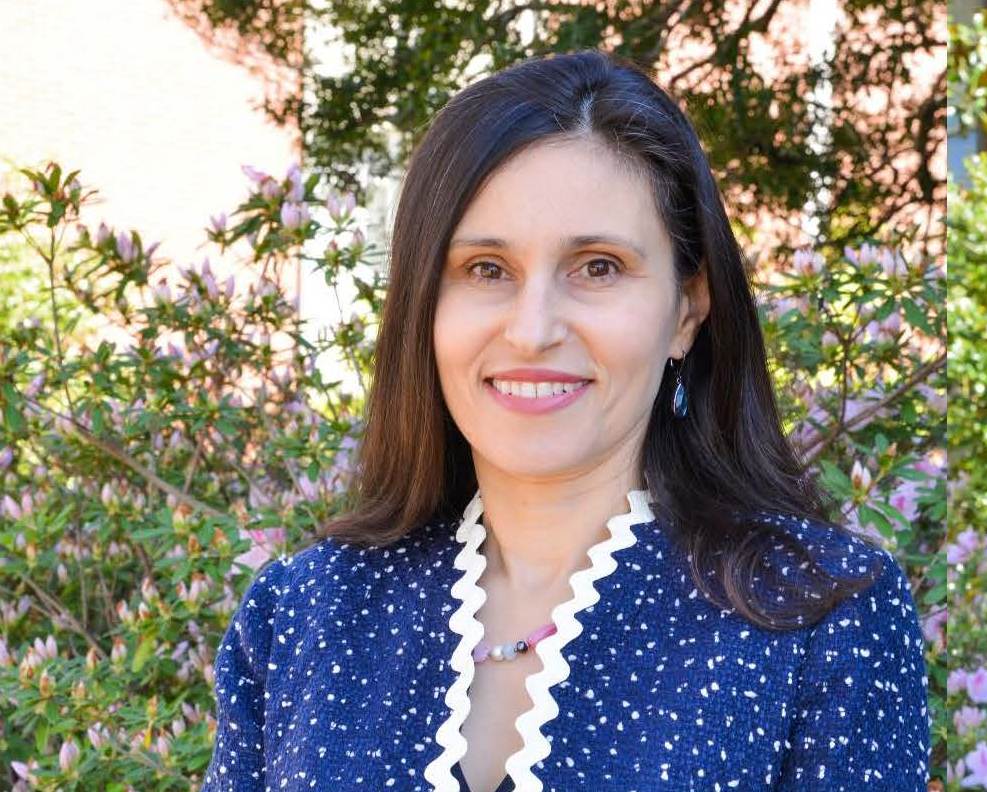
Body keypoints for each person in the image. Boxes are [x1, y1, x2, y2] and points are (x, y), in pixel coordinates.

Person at [202, 50, 929, 791]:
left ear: (687, 309)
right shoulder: (305, 614)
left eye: (599, 267)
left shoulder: (823, 616)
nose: (533, 329)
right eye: (487, 269)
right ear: (424, 304)